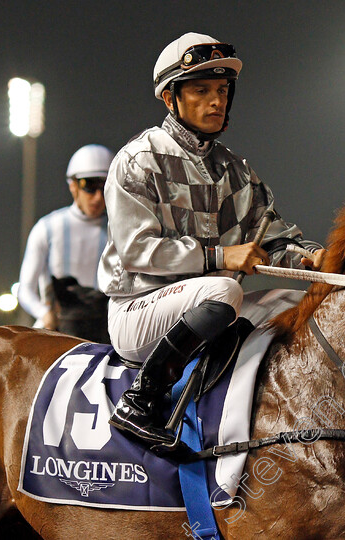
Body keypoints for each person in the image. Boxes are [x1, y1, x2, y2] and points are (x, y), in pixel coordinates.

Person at [99, 32, 325, 447]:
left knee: (298, 302)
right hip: (138, 311)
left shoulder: (235, 171)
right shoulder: (138, 159)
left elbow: (272, 238)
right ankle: (139, 402)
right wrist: (221, 255)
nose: (216, 101)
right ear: (171, 99)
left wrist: (311, 257)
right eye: (201, 91)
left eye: (221, 90)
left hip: (207, 307)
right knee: (222, 288)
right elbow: (136, 251)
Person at [18, 144, 113, 343]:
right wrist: (44, 313)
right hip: (57, 328)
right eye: (89, 185)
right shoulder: (47, 227)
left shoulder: (119, 229)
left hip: (106, 329)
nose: (97, 196)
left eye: (104, 187)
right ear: (73, 186)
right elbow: (24, 289)